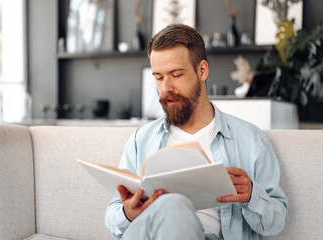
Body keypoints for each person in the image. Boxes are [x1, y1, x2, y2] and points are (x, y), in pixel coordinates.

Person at [105, 24, 287, 240]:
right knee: (171, 204)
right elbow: (113, 215)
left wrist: (251, 196)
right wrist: (128, 213)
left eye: (176, 74)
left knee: (173, 204)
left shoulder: (250, 140)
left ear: (202, 70)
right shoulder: (141, 139)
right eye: (159, 77)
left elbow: (276, 222)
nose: (166, 88)